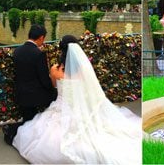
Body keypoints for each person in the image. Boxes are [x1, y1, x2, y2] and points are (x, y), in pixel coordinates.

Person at [12, 35, 141, 164]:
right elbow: (88, 89)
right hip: (79, 107)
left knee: (41, 134)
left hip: (61, 106)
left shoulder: (55, 70)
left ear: (61, 49)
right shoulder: (83, 69)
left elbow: (54, 86)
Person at [5, 24, 64, 145]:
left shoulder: (17, 51)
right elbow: (44, 80)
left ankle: (15, 132)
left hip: (21, 94)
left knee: (28, 120)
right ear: (41, 37)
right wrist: (53, 88)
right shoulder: (38, 54)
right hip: (35, 96)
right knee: (56, 98)